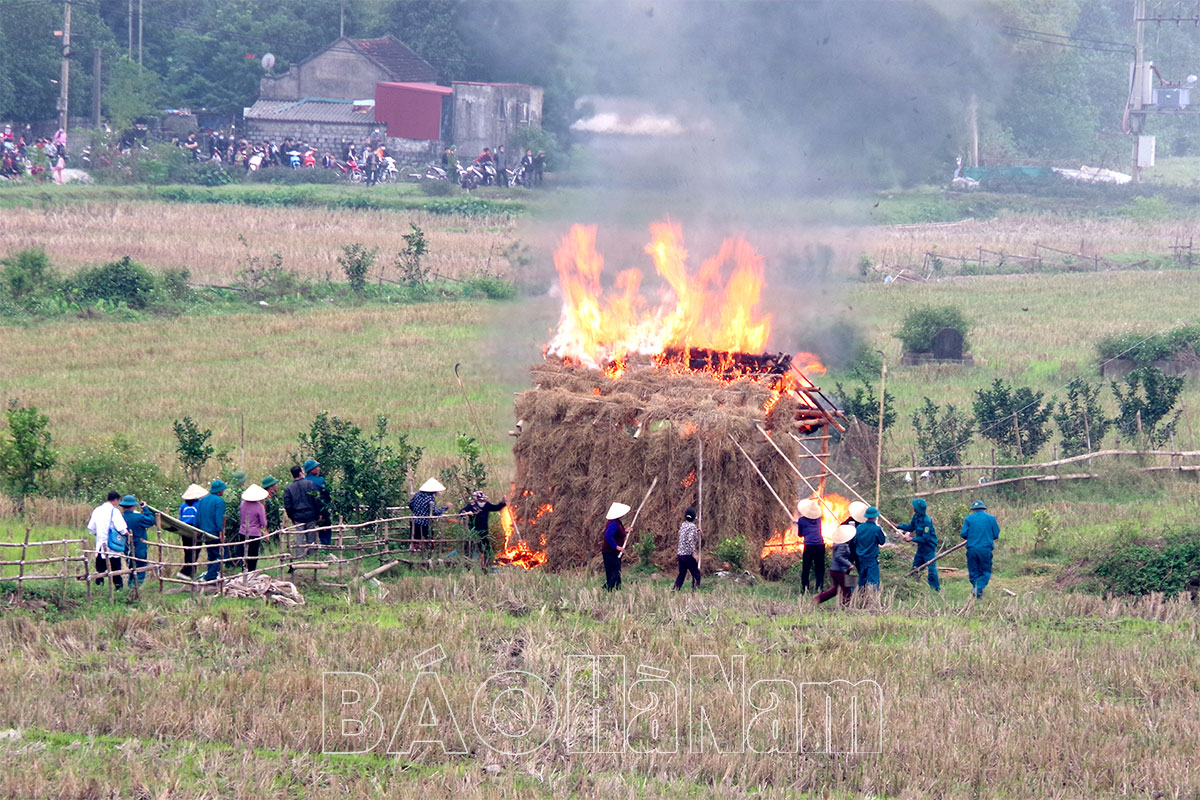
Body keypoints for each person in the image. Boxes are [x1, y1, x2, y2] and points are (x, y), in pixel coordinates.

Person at [87, 491, 128, 589]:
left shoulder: (97, 510)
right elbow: (121, 528)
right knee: (116, 571)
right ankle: (119, 589)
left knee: (100, 571)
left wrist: (99, 534)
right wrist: (127, 534)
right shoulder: (114, 511)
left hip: (100, 546)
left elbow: (91, 528)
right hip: (112, 546)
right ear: (116, 500)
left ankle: (98, 590)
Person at [897, 498, 940, 591]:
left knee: (931, 569)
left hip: (929, 548)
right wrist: (898, 526)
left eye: (914, 507)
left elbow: (925, 538)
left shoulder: (927, 521)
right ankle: (913, 586)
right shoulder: (916, 517)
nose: (913, 508)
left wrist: (911, 539)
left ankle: (936, 589)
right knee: (915, 567)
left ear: (917, 509)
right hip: (921, 548)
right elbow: (911, 527)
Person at [961, 500, 1000, 598]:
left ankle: (977, 593)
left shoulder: (968, 519)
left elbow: (964, 534)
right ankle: (978, 589)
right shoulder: (991, 518)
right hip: (985, 550)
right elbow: (996, 534)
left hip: (972, 550)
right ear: (984, 508)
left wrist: (972, 536)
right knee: (985, 572)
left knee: (974, 572)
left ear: (973, 510)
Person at [460, 490, 506, 571]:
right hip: (474, 531)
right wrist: (467, 513)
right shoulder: (472, 506)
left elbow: (496, 508)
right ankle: (467, 564)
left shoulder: (487, 505)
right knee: (469, 547)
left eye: (483, 499)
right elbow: (461, 512)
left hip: (484, 531)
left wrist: (502, 503)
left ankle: (487, 564)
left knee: (486, 548)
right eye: (481, 500)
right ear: (477, 500)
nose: (483, 501)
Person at [284, 465, 322, 559]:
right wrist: (318, 513)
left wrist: (291, 517)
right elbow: (316, 500)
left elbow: (288, 506)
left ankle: (299, 556)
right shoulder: (310, 484)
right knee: (311, 536)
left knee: (299, 537)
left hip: (297, 516)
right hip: (311, 515)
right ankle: (311, 556)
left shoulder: (289, 489)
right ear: (301, 473)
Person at [815, 524, 858, 607]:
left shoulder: (837, 544)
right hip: (840, 571)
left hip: (834, 570)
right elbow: (838, 557)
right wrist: (848, 564)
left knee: (836, 589)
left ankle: (819, 599)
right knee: (846, 589)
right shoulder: (843, 545)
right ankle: (846, 606)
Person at [120, 495, 157, 586]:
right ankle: (133, 590)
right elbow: (151, 521)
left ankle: (130, 589)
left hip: (127, 548)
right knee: (140, 570)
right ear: (133, 506)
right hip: (139, 548)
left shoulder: (120, 518)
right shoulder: (139, 517)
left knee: (132, 570)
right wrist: (146, 509)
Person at [196, 479, 228, 583]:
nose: (223, 492)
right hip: (214, 532)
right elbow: (219, 519)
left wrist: (198, 529)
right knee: (220, 555)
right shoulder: (219, 501)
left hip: (203, 532)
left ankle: (211, 575)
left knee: (211, 554)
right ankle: (210, 576)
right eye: (222, 490)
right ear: (219, 491)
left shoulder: (202, 500)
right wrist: (221, 532)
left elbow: (198, 517)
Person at [176, 483, 207, 578]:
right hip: (195, 529)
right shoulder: (199, 504)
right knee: (195, 551)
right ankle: (185, 572)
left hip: (184, 529)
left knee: (187, 550)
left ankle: (191, 572)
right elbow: (200, 517)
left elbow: (181, 517)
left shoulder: (183, 505)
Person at [853, 506, 887, 592]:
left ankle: (856, 596)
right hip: (871, 558)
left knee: (862, 578)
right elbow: (882, 542)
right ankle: (872, 600)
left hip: (860, 557)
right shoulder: (876, 529)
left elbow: (855, 541)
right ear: (875, 517)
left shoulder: (859, 527)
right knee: (874, 579)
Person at [409, 478, 449, 549]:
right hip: (424, 522)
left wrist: (416, 511)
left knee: (415, 539)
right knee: (429, 537)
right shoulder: (430, 499)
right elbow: (435, 512)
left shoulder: (417, 494)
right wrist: (445, 508)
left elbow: (410, 504)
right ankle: (429, 551)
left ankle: (414, 552)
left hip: (414, 520)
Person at [796, 498, 825, 594]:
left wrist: (798, 524)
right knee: (819, 568)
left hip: (809, 546)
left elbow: (800, 534)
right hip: (820, 545)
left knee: (806, 568)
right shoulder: (819, 520)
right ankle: (819, 587)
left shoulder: (801, 520)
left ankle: (805, 588)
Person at [239, 484, 269, 572]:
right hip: (254, 534)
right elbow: (263, 522)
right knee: (253, 555)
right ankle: (252, 572)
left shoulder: (243, 504)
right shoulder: (259, 506)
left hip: (243, 531)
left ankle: (244, 571)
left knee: (245, 554)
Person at [303, 459, 332, 547]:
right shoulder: (320, 481)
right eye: (317, 467)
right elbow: (326, 495)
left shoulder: (302, 482)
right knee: (325, 529)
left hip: (307, 511)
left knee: (309, 532)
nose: (318, 469)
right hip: (321, 510)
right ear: (312, 470)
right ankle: (325, 547)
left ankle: (309, 549)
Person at [602, 502, 630, 591]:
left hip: (613, 552)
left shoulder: (617, 522)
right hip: (610, 552)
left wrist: (625, 531)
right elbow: (608, 535)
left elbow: (618, 533)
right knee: (613, 572)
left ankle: (617, 588)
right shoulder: (613, 523)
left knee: (616, 571)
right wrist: (617, 547)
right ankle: (609, 589)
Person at [674, 507, 701, 591]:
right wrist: (694, 553)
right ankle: (696, 589)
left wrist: (697, 532)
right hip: (688, 554)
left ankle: (676, 589)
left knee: (682, 574)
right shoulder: (692, 526)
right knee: (696, 574)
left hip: (680, 554)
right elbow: (690, 540)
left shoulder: (683, 525)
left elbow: (681, 536)